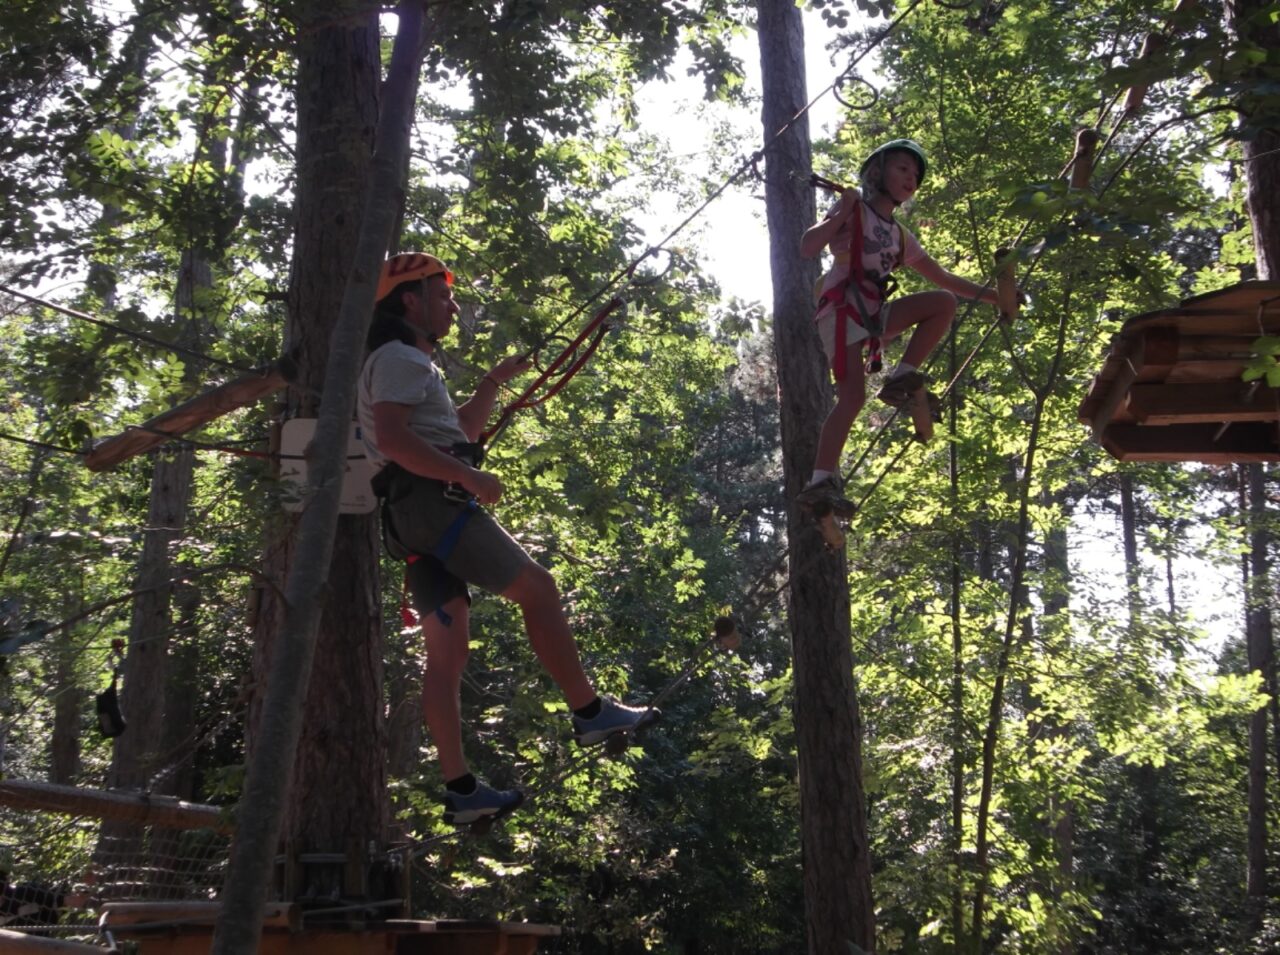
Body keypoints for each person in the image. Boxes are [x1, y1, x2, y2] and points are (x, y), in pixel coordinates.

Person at [357, 252, 656, 825]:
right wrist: (464, 475)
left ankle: (462, 790)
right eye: (441, 296)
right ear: (408, 302)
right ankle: (590, 711)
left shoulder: (405, 364)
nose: (452, 305)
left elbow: (459, 431)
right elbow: (394, 439)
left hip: (408, 520)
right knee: (539, 590)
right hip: (432, 505)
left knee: (446, 655)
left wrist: (493, 383)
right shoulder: (398, 358)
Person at [795, 139, 1002, 514]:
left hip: (873, 316)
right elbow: (809, 247)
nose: (912, 178)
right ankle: (819, 483)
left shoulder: (900, 236)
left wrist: (997, 298)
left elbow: (944, 278)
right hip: (841, 312)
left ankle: (902, 379)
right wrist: (841, 212)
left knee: (942, 302)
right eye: (903, 168)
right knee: (853, 398)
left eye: (916, 174)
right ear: (878, 172)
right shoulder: (853, 211)